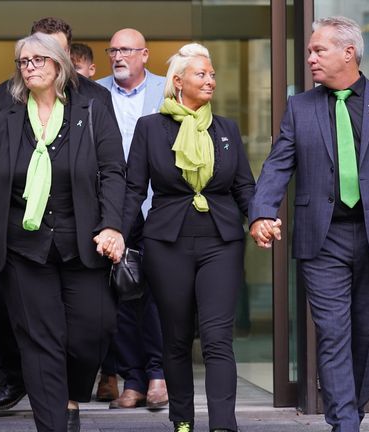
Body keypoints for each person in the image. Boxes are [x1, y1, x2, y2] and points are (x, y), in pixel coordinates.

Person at [249, 16, 369, 432]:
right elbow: (277, 167)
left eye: (318, 50)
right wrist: (262, 211)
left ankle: (352, 410)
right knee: (332, 334)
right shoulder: (300, 107)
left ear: (349, 53)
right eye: (310, 50)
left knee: (365, 336)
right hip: (322, 239)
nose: (310, 58)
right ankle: (344, 423)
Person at [0, 33, 125, 432]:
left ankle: (70, 395)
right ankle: (53, 422)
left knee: (92, 332)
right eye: (23, 62)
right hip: (22, 246)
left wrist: (112, 225)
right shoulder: (6, 110)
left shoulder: (93, 104)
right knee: (40, 343)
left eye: (38, 60)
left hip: (84, 241)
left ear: (59, 64)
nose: (29, 67)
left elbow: (113, 170)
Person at [122, 43, 255, 432]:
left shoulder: (226, 128)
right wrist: (116, 232)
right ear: (178, 82)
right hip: (167, 242)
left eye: (213, 74)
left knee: (216, 338)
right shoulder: (150, 128)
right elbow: (133, 189)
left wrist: (260, 217)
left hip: (221, 240)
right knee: (177, 339)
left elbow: (244, 186)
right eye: (202, 74)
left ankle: (223, 425)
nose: (210, 80)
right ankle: (182, 421)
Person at [95, 28, 168, 410]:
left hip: (157, 206)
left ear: (145, 54)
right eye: (113, 50)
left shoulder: (167, 88)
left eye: (126, 50)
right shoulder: (93, 92)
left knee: (158, 294)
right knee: (121, 294)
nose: (118, 56)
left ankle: (158, 375)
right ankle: (133, 380)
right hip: (112, 209)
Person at [0, 17, 114, 127]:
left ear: (67, 53)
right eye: (41, 51)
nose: (51, 56)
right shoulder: (3, 94)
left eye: (56, 51)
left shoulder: (97, 96)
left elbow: (109, 154)